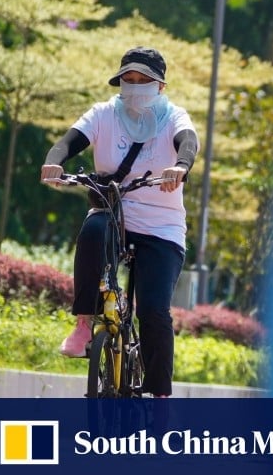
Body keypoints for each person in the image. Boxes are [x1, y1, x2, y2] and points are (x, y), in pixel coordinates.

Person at [40, 46, 198, 398]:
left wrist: (181, 167)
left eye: (145, 80)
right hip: (114, 215)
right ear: (120, 81)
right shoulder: (103, 115)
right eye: (130, 79)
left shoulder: (173, 116)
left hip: (162, 227)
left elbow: (188, 141)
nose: (136, 86)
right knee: (93, 229)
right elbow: (67, 142)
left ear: (161, 86)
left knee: (154, 312)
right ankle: (84, 323)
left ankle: (159, 397)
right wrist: (54, 162)